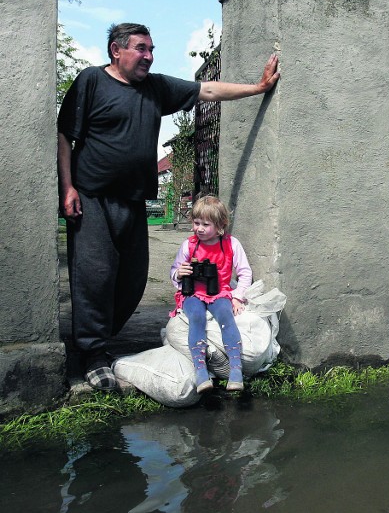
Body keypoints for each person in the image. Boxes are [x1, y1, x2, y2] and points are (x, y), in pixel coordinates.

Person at [57, 22, 279, 390]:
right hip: (92, 195)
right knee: (94, 277)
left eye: (151, 49)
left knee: (132, 279)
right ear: (116, 50)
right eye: (141, 48)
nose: (149, 56)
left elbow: (207, 89)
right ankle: (93, 353)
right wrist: (68, 188)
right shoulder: (91, 81)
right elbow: (67, 135)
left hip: (132, 200)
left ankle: (93, 337)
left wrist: (257, 88)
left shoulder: (155, 88)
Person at [170, 196, 250, 392]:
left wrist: (238, 296)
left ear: (221, 225)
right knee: (196, 317)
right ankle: (201, 372)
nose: (200, 228)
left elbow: (245, 272)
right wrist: (179, 274)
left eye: (206, 224)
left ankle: (235, 370)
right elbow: (174, 272)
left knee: (225, 315)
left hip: (219, 291)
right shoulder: (189, 245)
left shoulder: (231, 244)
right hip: (193, 293)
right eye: (196, 223)